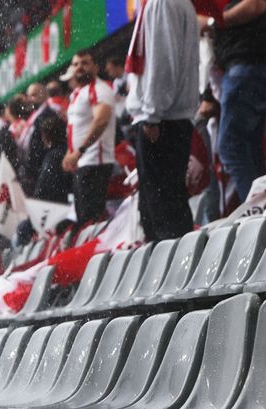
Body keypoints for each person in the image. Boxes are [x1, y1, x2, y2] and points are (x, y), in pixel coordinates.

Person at [125, 0, 201, 241]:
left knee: (163, 211)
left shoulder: (161, 2)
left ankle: (178, 274)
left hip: (162, 120)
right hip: (167, 117)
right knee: (160, 207)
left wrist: (151, 116)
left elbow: (162, 62)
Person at [210, 0, 266, 203]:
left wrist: (214, 21)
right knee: (249, 148)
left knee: (231, 146)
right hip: (244, 65)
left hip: (246, 64)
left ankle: (257, 215)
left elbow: (256, 5)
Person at [63, 50, 117, 227]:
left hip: (95, 162)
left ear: (95, 67)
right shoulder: (79, 92)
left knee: (91, 221)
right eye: (76, 64)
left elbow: (101, 120)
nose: (79, 67)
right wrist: (70, 152)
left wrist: (80, 151)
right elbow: (77, 127)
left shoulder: (99, 89)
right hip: (83, 162)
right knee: (84, 219)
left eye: (85, 63)